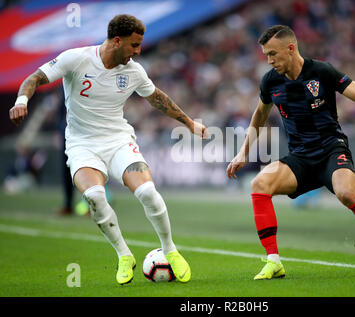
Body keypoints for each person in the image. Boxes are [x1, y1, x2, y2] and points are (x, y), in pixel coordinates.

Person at [10, 14, 208, 285]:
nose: (138, 51)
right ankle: (123, 255)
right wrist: (22, 100)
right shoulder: (76, 59)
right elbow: (34, 77)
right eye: (134, 45)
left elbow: (157, 98)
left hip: (117, 140)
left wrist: (188, 122)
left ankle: (170, 249)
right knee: (94, 196)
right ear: (117, 41)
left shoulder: (134, 71)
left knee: (148, 191)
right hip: (82, 145)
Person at [227, 25, 355, 280]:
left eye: (272, 54)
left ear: (290, 48)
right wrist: (242, 153)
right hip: (300, 158)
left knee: (347, 194)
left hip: (330, 149)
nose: (269, 61)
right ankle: (273, 261)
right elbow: (259, 115)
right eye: (266, 55)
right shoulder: (271, 81)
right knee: (260, 183)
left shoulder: (321, 71)